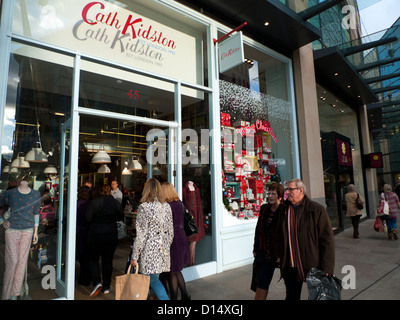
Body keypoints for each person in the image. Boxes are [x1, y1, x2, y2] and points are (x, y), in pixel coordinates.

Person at [276, 179, 335, 300]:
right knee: (291, 296)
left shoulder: (316, 209)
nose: (287, 192)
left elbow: (327, 240)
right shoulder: (283, 210)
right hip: (290, 264)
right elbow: (277, 235)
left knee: (316, 296)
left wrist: (327, 267)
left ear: (300, 190)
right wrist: (278, 255)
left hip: (311, 264)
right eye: (286, 189)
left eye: (290, 189)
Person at [130, 178, 174, 300]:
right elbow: (170, 232)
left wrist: (135, 256)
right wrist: (165, 246)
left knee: (145, 281)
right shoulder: (166, 207)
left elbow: (141, 235)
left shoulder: (144, 207)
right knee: (154, 280)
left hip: (148, 250)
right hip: (161, 249)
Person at [0, 178, 40, 300]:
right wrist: (1, 221)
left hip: (28, 231)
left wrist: (36, 232)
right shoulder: (10, 193)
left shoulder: (35, 194)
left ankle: (14, 294)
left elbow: (36, 212)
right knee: (12, 262)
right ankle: (6, 295)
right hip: (12, 230)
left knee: (22, 263)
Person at [85, 184, 123, 297]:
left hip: (95, 234)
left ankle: (97, 282)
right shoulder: (115, 202)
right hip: (111, 234)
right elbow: (121, 216)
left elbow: (87, 218)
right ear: (109, 192)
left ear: (99, 191)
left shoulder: (94, 202)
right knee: (107, 260)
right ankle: (106, 286)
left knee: (93, 259)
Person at [251, 182, 285, 300]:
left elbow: (286, 235)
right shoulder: (264, 208)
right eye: (269, 193)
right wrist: (255, 248)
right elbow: (258, 229)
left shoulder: (285, 210)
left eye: (273, 194)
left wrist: (282, 254)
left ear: (280, 197)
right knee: (262, 283)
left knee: (290, 284)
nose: (270, 196)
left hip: (280, 253)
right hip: (265, 252)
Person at [161, 182, 191, 300]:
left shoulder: (166, 205)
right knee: (177, 269)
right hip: (181, 235)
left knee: (172, 271)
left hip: (172, 238)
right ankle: (185, 294)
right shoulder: (179, 203)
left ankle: (174, 298)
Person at [76, 186, 92, 286]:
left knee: (82, 256)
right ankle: (88, 276)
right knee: (88, 255)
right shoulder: (91, 203)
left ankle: (84, 277)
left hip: (80, 231)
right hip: (89, 232)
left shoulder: (78, 204)